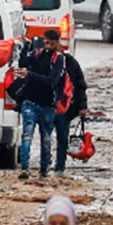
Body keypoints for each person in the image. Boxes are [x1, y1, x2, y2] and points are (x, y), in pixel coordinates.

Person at [16, 30, 68, 179]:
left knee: (46, 138)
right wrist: (26, 45)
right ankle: (24, 167)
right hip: (30, 101)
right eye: (46, 42)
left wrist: (30, 75)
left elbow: (51, 81)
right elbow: (23, 62)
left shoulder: (59, 59)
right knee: (27, 135)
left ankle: (44, 168)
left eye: (52, 43)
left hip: (47, 105)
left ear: (57, 43)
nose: (48, 46)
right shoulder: (38, 54)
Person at [54, 48, 90, 177]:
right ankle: (45, 166)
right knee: (46, 138)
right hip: (46, 106)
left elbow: (80, 85)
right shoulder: (42, 59)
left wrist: (82, 106)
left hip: (64, 107)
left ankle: (59, 167)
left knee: (62, 138)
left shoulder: (70, 62)